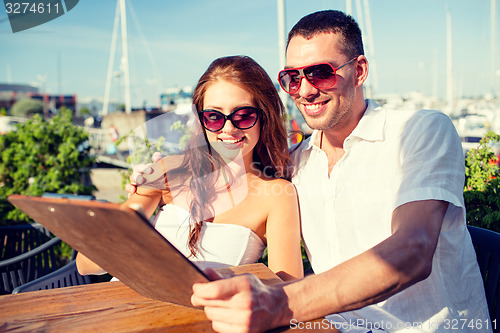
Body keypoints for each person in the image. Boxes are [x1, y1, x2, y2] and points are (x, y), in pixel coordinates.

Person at [185, 10, 491, 333]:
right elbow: (237, 178)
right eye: (292, 77)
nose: (304, 91)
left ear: (359, 71)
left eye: (320, 73)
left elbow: (412, 250)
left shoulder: (420, 132)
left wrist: (279, 303)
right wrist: (168, 174)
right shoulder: (296, 163)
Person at [76, 55, 303, 282]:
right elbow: (86, 264)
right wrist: (133, 226)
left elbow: (287, 288)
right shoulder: (169, 170)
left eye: (243, 116)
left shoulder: (276, 195)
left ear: (265, 117)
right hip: (125, 303)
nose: (228, 128)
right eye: (214, 117)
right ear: (201, 120)